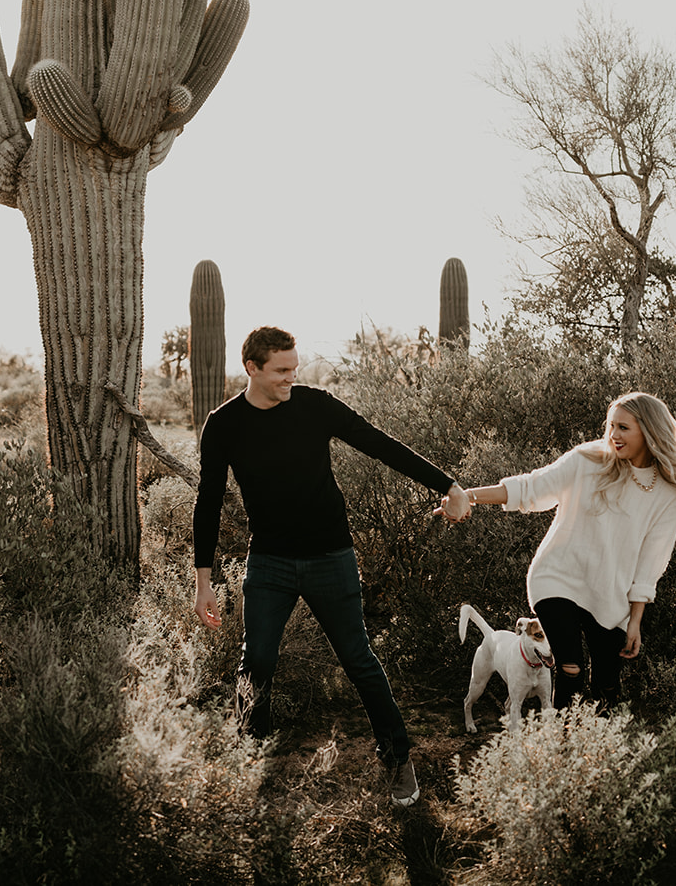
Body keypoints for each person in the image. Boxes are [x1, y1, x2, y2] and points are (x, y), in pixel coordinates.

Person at [192, 326, 470, 807]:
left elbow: (379, 443)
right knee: (255, 662)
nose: (290, 379)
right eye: (281, 371)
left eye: (294, 370)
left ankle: (398, 760)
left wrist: (447, 484)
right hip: (270, 562)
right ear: (252, 368)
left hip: (330, 558)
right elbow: (208, 501)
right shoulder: (224, 424)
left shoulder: (314, 405)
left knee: (359, 660)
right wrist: (203, 581)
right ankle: (248, 765)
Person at [450, 392, 676, 709]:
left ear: (649, 431)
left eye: (623, 427)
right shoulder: (589, 460)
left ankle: (588, 751)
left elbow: (650, 564)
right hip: (556, 578)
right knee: (570, 669)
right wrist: (467, 496)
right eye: (611, 425)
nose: (613, 435)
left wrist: (635, 621)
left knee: (606, 690)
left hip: (610, 598)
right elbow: (531, 488)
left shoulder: (666, 493)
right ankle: (559, 748)